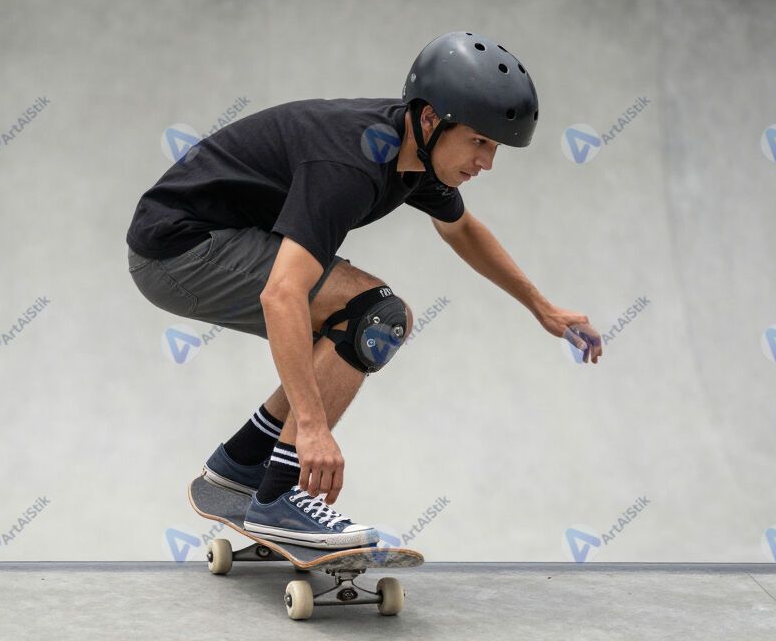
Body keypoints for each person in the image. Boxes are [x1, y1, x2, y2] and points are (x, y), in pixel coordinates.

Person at [126, 31, 603, 550]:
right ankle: (279, 497)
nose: (487, 162)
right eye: (479, 141)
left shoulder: (413, 153)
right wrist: (312, 429)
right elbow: (281, 295)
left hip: (206, 238)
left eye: (495, 148)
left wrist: (542, 308)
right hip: (179, 251)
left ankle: (240, 466)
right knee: (374, 315)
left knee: (363, 326)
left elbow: (462, 230)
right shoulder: (349, 164)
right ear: (430, 120)